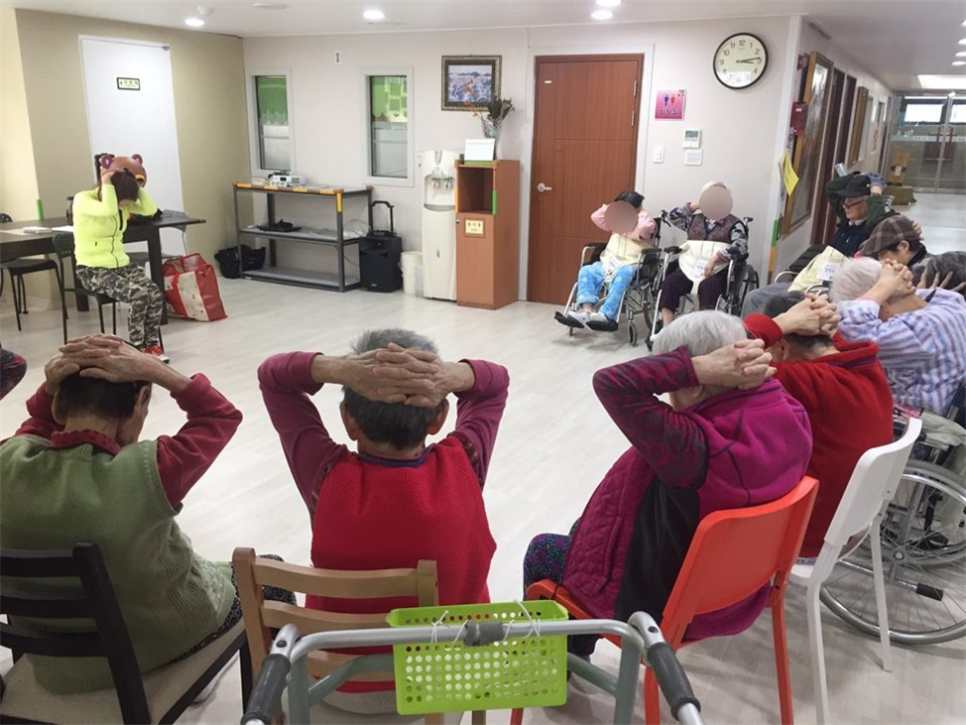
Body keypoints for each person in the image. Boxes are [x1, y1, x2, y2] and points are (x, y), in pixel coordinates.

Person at [0, 335, 293, 694]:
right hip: (147, 649)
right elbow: (221, 415)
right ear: (140, 403)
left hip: (53, 665)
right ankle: (271, 700)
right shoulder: (150, 471)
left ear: (57, 404)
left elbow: (36, 423)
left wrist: (50, 388)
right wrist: (159, 371)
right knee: (272, 572)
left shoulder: (8, 462)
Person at [523, 312, 812, 656]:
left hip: (664, 606)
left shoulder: (693, 447)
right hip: (740, 591)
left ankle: (563, 659)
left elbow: (610, 383)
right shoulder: (792, 413)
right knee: (581, 528)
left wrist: (695, 368)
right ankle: (577, 643)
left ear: (695, 383)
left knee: (542, 551)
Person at [259, 329, 509, 712]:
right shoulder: (465, 463)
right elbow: (495, 384)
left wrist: (337, 369)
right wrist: (448, 374)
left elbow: (272, 377)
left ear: (349, 421)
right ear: (438, 419)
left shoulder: (325, 478)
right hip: (445, 681)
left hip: (337, 685)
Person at [745, 293, 894, 558]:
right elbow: (831, 343)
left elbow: (726, 353)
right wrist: (821, 321)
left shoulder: (808, 378)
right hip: (847, 523)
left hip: (806, 535)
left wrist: (780, 323)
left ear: (781, 348)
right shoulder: (866, 364)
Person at [832, 257, 966, 482]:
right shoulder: (949, 307)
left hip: (911, 437)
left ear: (881, 303)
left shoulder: (921, 330)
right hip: (929, 418)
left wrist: (883, 286)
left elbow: (851, 330)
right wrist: (896, 283)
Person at [741, 172, 896, 318]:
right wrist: (858, 176)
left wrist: (875, 193)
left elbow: (879, 217)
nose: (845, 205)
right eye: (844, 201)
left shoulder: (872, 228)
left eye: (850, 201)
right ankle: (751, 334)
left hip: (829, 290)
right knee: (753, 297)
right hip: (814, 280)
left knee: (767, 303)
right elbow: (831, 188)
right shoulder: (847, 220)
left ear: (867, 203)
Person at [72, 162, 167, 361]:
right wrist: (107, 181)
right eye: (121, 203)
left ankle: (152, 344)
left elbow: (150, 209)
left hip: (122, 265)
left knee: (154, 293)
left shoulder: (120, 202)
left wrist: (134, 185)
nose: (123, 208)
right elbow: (107, 210)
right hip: (92, 269)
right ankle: (137, 347)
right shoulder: (83, 199)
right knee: (138, 295)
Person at [658, 181, 748, 326]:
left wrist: (716, 258)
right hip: (689, 268)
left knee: (709, 287)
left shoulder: (734, 223)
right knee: (670, 282)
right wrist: (694, 206)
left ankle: (703, 328)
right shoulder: (694, 220)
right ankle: (666, 328)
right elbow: (672, 217)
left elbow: (741, 246)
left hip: (717, 270)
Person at [564, 190, 657, 328]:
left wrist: (640, 211)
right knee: (587, 270)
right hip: (608, 262)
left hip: (630, 264)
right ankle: (587, 311)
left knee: (623, 274)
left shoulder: (646, 224)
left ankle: (606, 315)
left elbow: (644, 228)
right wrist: (612, 207)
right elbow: (595, 216)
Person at [859, 214, 930, 268]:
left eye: (882, 254)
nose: (881, 261)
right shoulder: (928, 265)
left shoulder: (916, 277)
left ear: (904, 246)